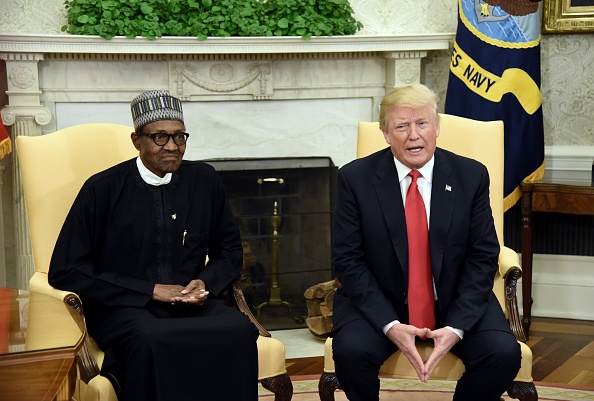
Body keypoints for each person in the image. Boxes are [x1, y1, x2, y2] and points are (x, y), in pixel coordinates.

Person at [48, 90, 259, 401]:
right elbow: (66, 270)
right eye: (159, 137)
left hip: (191, 302)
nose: (172, 146)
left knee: (239, 330)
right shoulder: (102, 189)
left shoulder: (204, 180)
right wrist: (150, 291)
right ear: (137, 140)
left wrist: (204, 282)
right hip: (125, 308)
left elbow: (229, 252)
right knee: (152, 337)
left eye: (179, 137)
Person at [330, 84, 521, 401]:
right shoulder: (355, 178)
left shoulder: (470, 176)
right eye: (401, 126)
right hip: (381, 301)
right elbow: (348, 260)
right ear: (386, 133)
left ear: (437, 127)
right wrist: (390, 325)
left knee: (502, 354)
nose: (413, 135)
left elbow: (483, 255)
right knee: (351, 352)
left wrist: (457, 327)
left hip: (455, 300)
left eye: (422, 123)